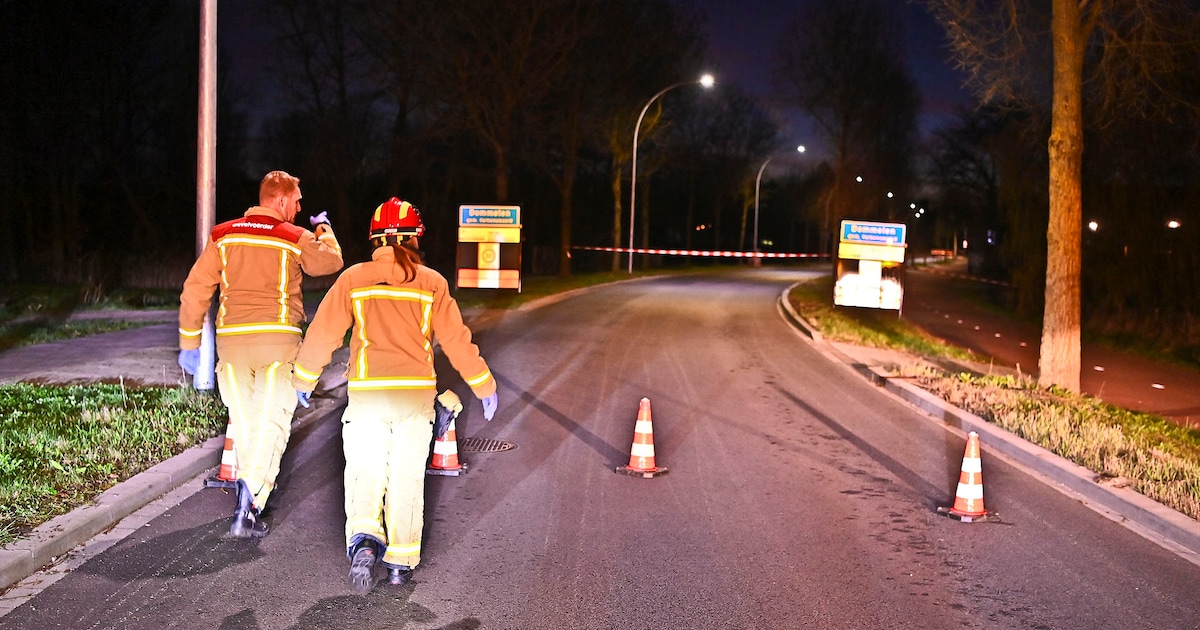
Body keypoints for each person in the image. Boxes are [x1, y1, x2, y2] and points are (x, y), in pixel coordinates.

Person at [291, 196, 498, 594]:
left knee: (365, 470)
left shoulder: (354, 278)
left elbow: (324, 333)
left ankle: (365, 541)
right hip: (414, 399)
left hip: (368, 395)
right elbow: (456, 340)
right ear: (414, 239)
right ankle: (400, 563)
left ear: (375, 239)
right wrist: (484, 385)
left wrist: (304, 378)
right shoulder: (432, 283)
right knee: (406, 479)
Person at [178, 170, 344, 538]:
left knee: (247, 425)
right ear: (281, 200)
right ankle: (248, 505)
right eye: (297, 201)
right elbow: (331, 263)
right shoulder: (293, 235)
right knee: (271, 425)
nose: (300, 208)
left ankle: (245, 498)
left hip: (233, 347)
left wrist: (189, 342)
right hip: (278, 346)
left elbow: (195, 288)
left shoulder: (224, 235)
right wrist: (324, 229)